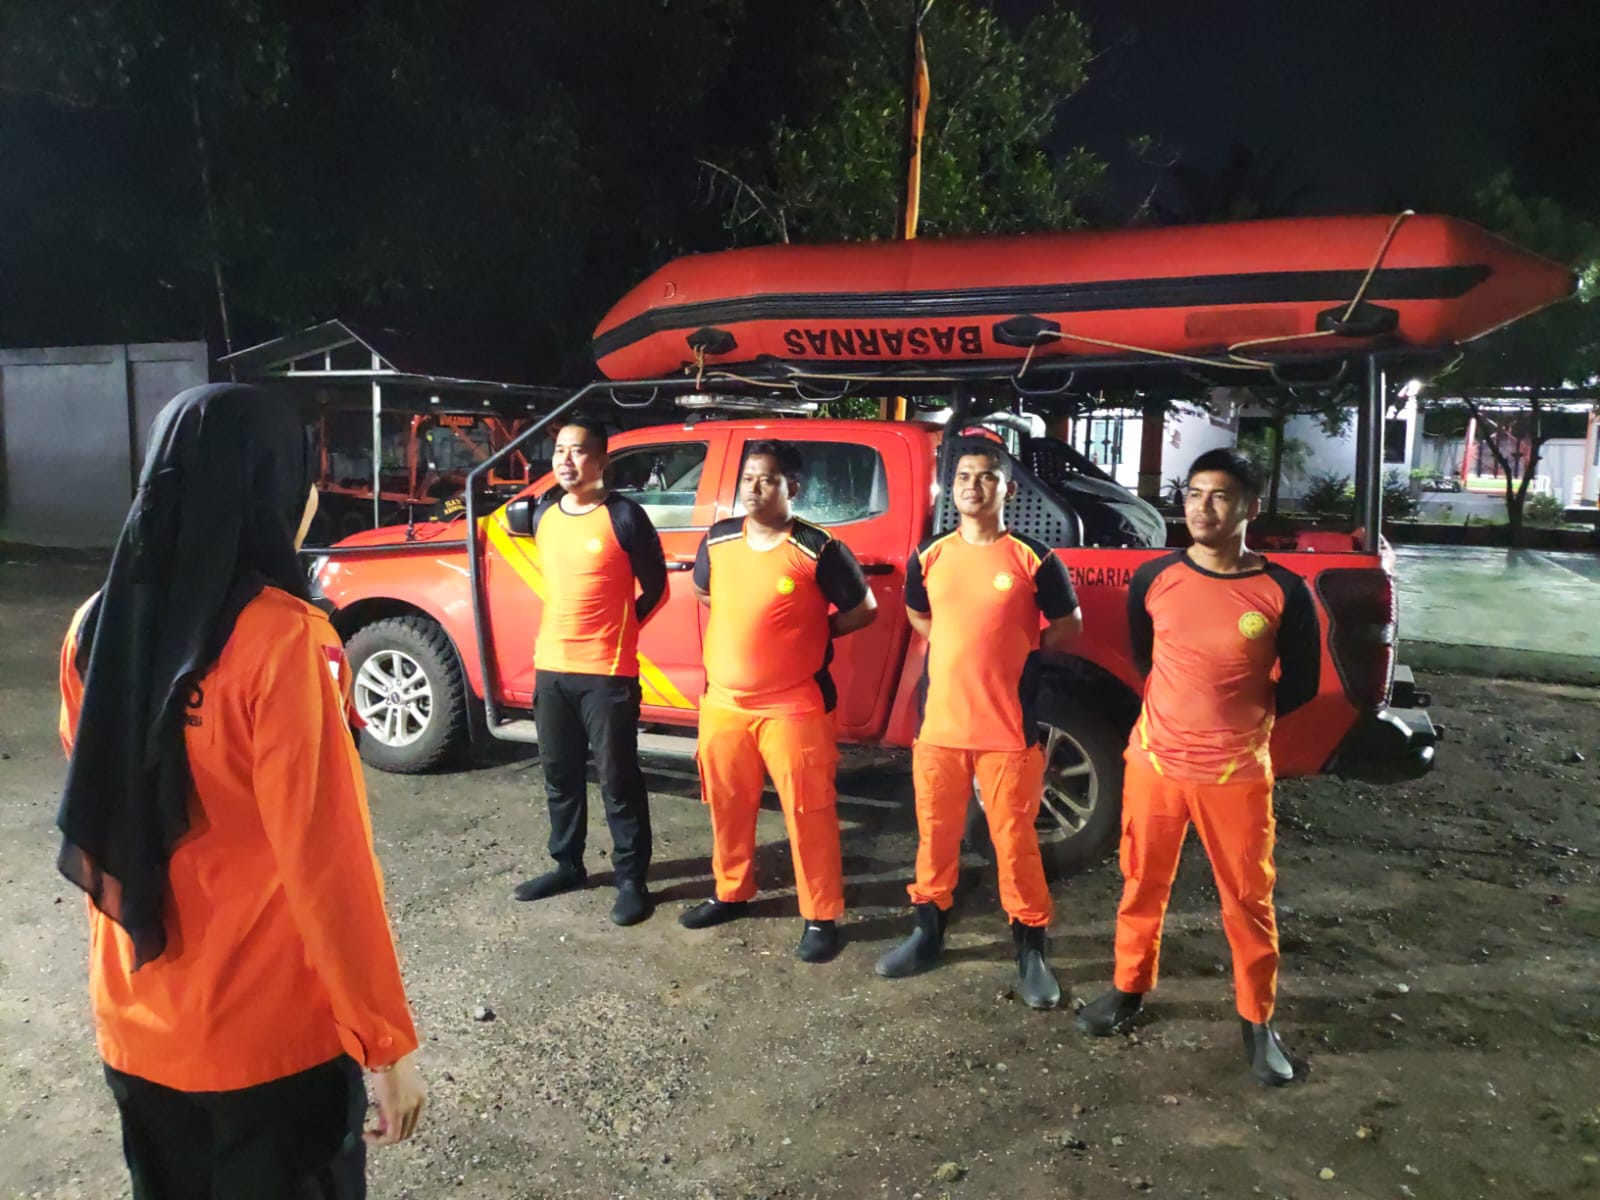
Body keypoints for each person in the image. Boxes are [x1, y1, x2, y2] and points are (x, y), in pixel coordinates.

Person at [55, 383, 425, 1200]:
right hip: (268, 1048)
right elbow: (328, 865)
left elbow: (100, 801)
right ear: (268, 488)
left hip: (137, 1026)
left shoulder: (95, 628)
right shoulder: (282, 641)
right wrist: (384, 1045)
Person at [1075, 448, 1322, 1087]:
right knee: (1140, 882)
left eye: (1219, 495)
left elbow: (1301, 683)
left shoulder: (1282, 591)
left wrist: (1239, 719)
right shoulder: (1154, 577)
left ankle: (1257, 1019)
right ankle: (1128, 987)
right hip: (1154, 764)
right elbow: (1145, 657)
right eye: (1193, 493)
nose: (1202, 507)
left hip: (1234, 774)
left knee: (1247, 898)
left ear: (1249, 507)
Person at [876, 445, 1082, 1008]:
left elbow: (1069, 624)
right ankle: (927, 933)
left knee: (1015, 841)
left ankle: (1031, 948)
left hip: (1007, 729)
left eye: (986, 477)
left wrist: (1020, 647)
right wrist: (954, 642)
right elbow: (919, 613)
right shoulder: (930, 555)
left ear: (1006, 490)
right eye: (963, 476)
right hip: (940, 727)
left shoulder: (1033, 558)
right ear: (953, 489)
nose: (973, 485)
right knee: (935, 835)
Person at [679, 440, 878, 963]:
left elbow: (865, 609)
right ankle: (731, 891)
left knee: (809, 812)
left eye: (766, 479)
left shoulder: (818, 548)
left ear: (791, 486)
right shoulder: (719, 539)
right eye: (748, 479)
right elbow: (705, 592)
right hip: (724, 704)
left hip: (794, 707)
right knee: (727, 805)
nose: (754, 488)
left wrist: (812, 633)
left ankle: (821, 915)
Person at [513, 418, 668, 926]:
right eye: (559, 450)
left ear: (600, 460)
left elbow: (657, 588)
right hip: (551, 667)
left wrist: (621, 629)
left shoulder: (624, 516)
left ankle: (631, 880)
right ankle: (567, 864)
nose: (565, 460)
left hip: (606, 671)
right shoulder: (544, 513)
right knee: (559, 774)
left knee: (618, 779)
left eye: (577, 451)